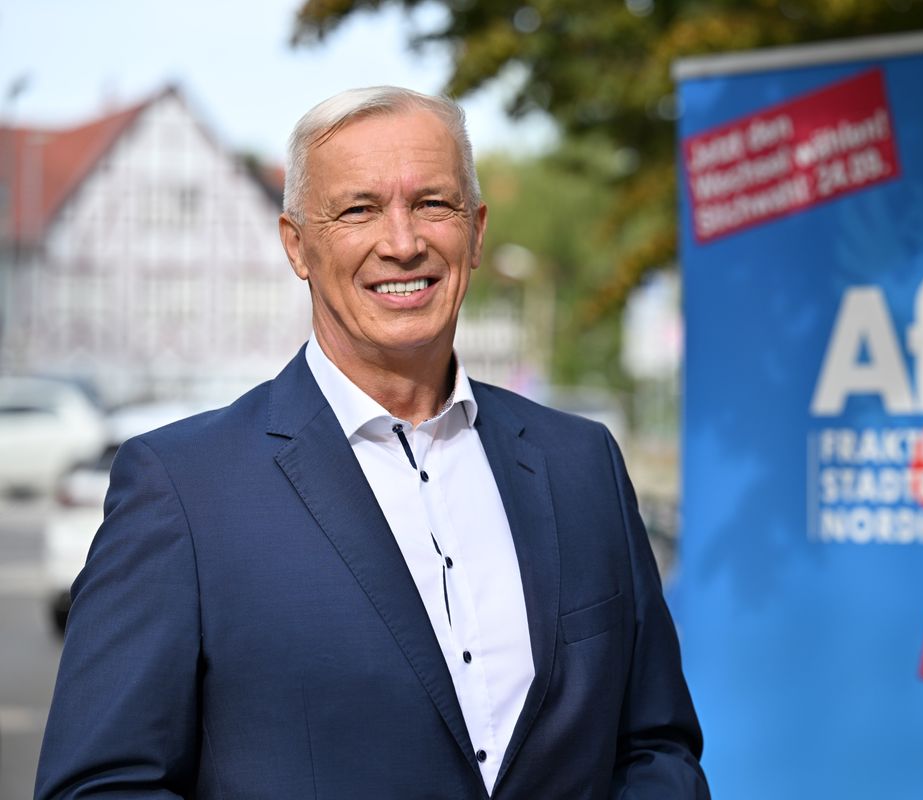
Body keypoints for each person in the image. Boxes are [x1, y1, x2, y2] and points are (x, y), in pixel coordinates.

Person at [34, 87, 707, 799]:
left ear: (476, 232)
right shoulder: (184, 490)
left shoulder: (582, 465)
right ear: (297, 244)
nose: (403, 242)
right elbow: (100, 786)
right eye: (358, 209)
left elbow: (655, 745)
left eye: (433, 204)